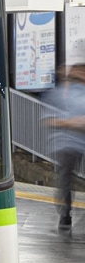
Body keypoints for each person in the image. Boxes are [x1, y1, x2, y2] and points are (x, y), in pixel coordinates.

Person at [43, 64, 85, 230]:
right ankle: (65, 214)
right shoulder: (59, 93)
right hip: (66, 144)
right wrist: (70, 123)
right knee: (65, 179)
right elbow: (47, 120)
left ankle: (65, 213)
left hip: (78, 142)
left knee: (66, 179)